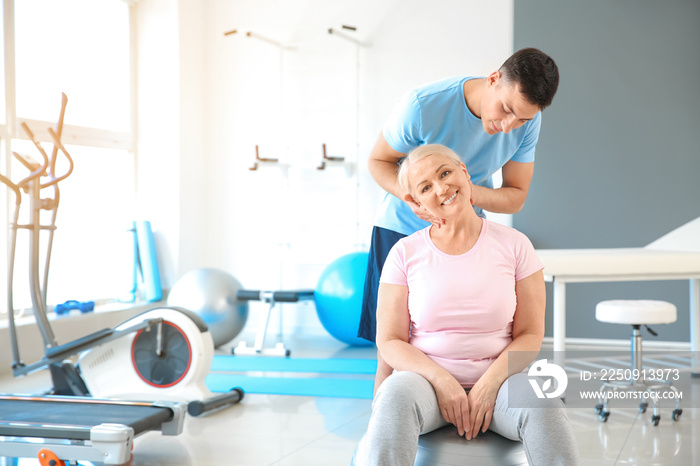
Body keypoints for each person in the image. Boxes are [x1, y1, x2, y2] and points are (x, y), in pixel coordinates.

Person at [352, 144, 579, 465]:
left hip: (502, 382)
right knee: (395, 398)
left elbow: (530, 335)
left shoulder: (516, 245)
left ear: (464, 171)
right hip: (425, 384)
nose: (442, 188)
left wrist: (488, 385)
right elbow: (389, 341)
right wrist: (442, 381)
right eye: (426, 187)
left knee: (546, 405)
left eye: (445, 173)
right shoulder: (404, 253)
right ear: (415, 202)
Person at [358, 47, 560, 392]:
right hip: (402, 226)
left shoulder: (527, 122)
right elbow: (378, 161)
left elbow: (516, 195)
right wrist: (417, 202)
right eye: (507, 110)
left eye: (522, 120)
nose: (508, 126)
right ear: (494, 79)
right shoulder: (422, 106)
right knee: (389, 353)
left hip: (464, 231)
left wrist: (464, 193)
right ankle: (382, 426)